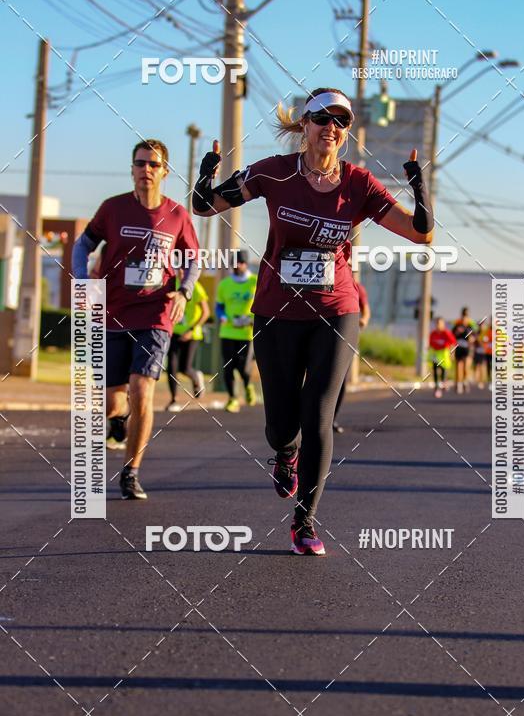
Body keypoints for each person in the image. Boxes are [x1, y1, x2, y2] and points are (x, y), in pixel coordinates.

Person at [193, 87, 434, 556]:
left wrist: (418, 187)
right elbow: (206, 207)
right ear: (304, 126)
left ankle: (305, 522)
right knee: (282, 424)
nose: (331, 128)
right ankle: (284, 455)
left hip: (335, 310)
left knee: (318, 413)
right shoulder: (274, 172)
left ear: (345, 135)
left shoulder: (359, 184)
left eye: (340, 122)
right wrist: (206, 174)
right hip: (276, 310)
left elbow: (421, 234)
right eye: (322, 119)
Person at [71, 139, 199, 499]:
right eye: (140, 163)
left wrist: (184, 291)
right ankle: (116, 420)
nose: (146, 170)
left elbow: (193, 258)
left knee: (142, 390)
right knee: (113, 400)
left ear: (165, 171)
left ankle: (131, 472)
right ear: (132, 169)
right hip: (112, 314)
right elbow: (83, 244)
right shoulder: (112, 209)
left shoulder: (177, 215)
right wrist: (82, 279)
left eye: (153, 164)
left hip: (156, 313)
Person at [215, 250, 258, 413]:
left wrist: (253, 319)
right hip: (227, 332)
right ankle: (232, 398)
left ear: (246, 264)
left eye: (239, 263)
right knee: (228, 366)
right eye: (233, 263)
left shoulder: (254, 281)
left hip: (246, 333)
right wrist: (223, 316)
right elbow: (219, 307)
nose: (236, 266)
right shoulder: (224, 284)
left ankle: (247, 387)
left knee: (244, 367)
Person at [165, 273, 210, 412]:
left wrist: (192, 329)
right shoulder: (171, 285)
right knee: (171, 366)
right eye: (179, 267)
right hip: (173, 332)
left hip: (191, 334)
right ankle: (173, 399)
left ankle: (196, 377)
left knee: (184, 368)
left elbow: (206, 312)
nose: (181, 271)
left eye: (185, 268)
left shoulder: (195, 287)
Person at [332, 277, 371, 433]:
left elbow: (366, 310)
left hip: (345, 337)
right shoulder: (325, 280)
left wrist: (362, 321)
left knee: (340, 380)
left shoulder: (357, 287)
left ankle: (331, 418)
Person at [428, 317, 456, 398]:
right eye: (437, 323)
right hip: (435, 354)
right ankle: (437, 388)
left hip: (444, 354)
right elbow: (430, 344)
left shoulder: (446, 333)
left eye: (440, 323)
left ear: (443, 324)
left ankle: (443, 384)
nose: (438, 325)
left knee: (443, 370)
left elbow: (453, 343)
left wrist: (452, 353)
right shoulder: (433, 333)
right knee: (435, 370)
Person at [452, 309, 474, 394]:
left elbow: (473, 337)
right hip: (458, 348)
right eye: (463, 317)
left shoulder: (470, 326)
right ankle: (458, 384)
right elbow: (452, 336)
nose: (465, 319)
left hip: (467, 349)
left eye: (466, 317)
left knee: (466, 368)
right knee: (458, 367)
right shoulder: (457, 325)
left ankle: (465, 382)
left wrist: (472, 339)